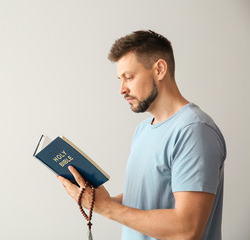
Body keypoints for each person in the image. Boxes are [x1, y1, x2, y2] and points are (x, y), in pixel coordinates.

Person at [57, 30, 226, 240]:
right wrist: (97, 201)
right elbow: (146, 199)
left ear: (160, 69)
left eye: (129, 77)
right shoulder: (143, 130)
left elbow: (187, 229)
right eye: (120, 79)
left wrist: (108, 208)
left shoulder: (194, 130)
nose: (121, 89)